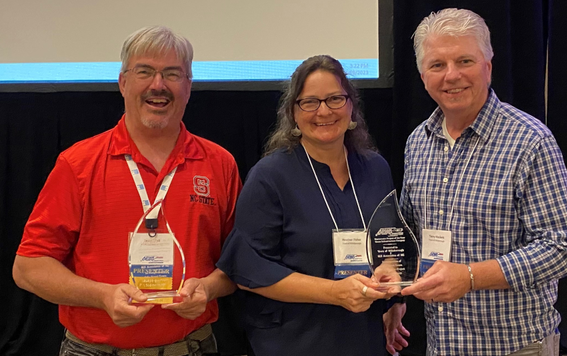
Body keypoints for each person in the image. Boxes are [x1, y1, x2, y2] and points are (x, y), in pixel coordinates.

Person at [12, 26, 242, 356]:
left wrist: (208, 288)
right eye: (145, 72)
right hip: (93, 350)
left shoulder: (219, 164)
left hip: (192, 347)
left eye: (172, 74)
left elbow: (240, 264)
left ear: (189, 87)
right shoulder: (78, 163)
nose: (158, 85)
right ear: (122, 82)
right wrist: (102, 296)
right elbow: (29, 268)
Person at [399, 8, 567, 356]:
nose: (451, 75)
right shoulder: (417, 142)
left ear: (488, 66)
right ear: (423, 75)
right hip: (442, 342)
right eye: (438, 65)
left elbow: (564, 248)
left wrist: (469, 276)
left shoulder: (530, 141)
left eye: (464, 60)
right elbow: (410, 231)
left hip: (514, 346)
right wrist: (391, 281)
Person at [216, 55, 409, 356]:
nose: (324, 111)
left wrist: (393, 296)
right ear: (293, 112)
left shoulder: (376, 169)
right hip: (295, 341)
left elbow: (390, 246)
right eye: (310, 102)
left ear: (351, 106)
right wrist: (334, 293)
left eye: (335, 99)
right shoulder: (269, 177)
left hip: (365, 338)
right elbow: (249, 271)